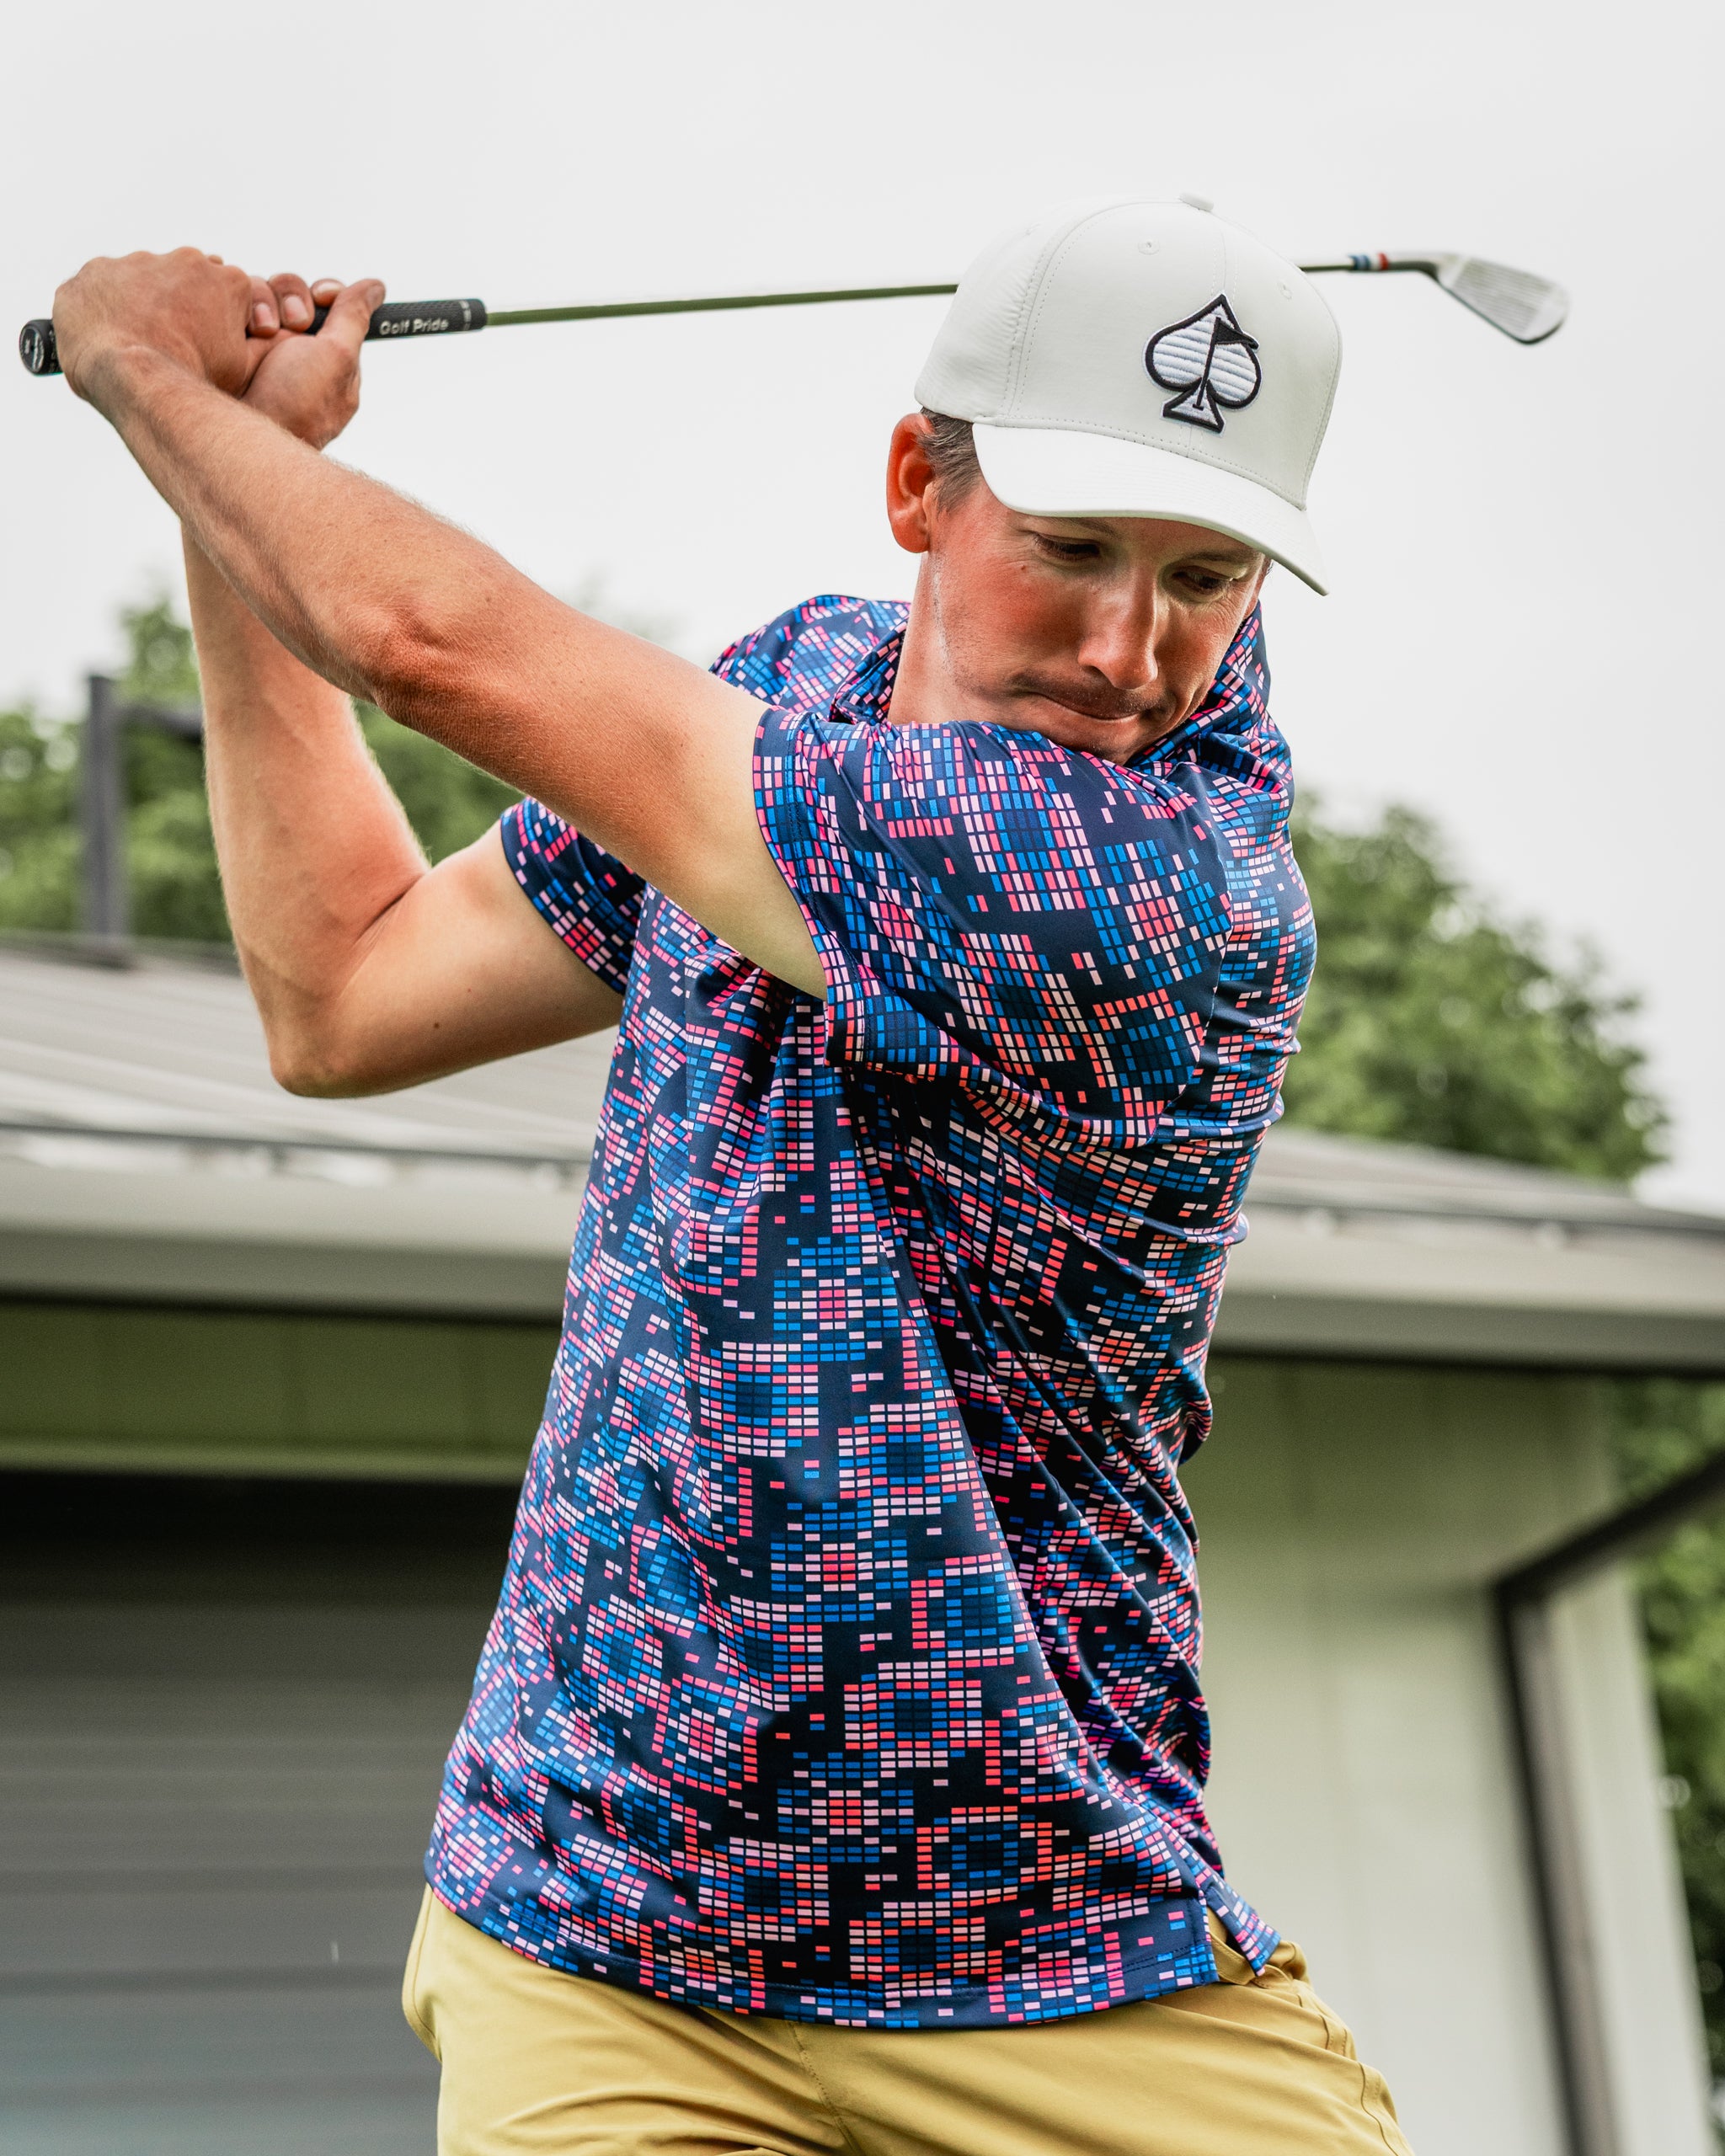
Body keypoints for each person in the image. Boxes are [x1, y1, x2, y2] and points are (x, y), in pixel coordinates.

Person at [51, 195, 1413, 2154]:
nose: (1131, 647)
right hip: (597, 1935)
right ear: (916, 484)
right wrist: (234, 483)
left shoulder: (1155, 883)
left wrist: (151, 381)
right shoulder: (802, 693)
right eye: (1072, 548)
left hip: (1050, 1957)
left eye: (1208, 575)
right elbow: (344, 989)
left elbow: (426, 641)